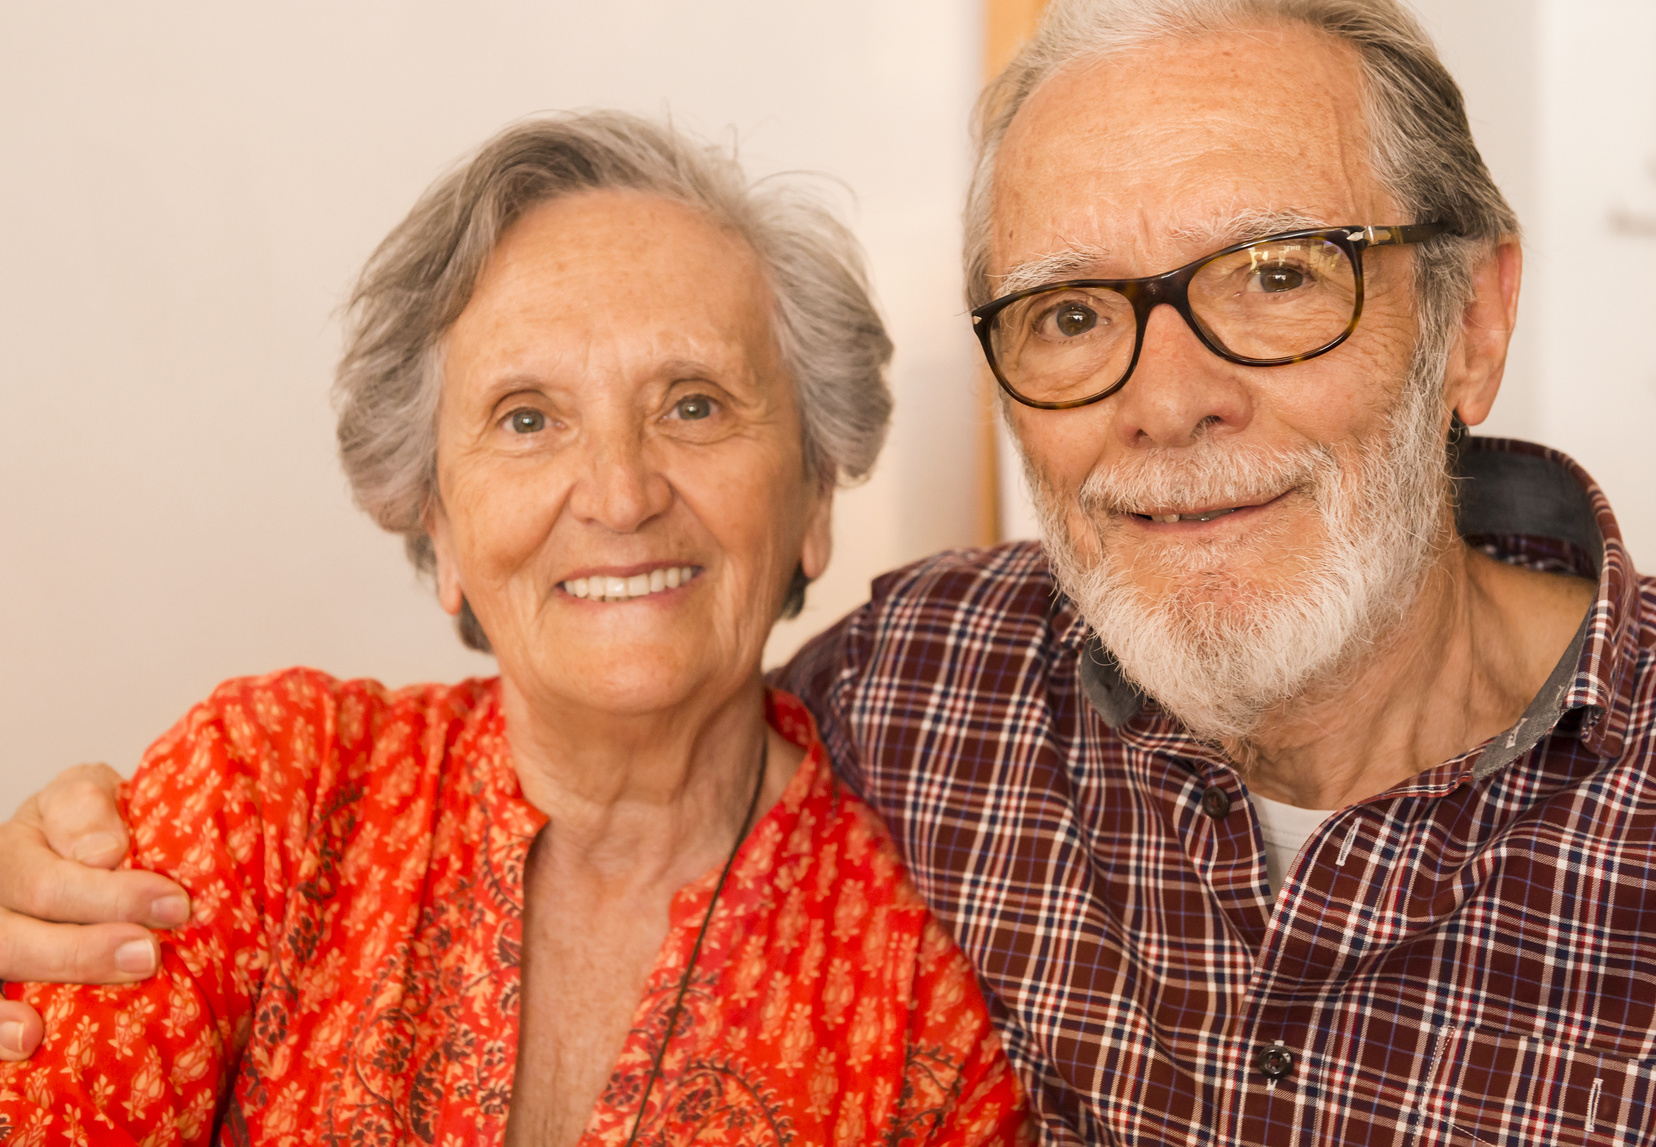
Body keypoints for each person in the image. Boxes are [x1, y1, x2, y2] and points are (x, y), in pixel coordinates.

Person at [5, 0, 1654, 1142]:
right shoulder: (935, 686)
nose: (1168, 398)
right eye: (1073, 314)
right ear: (426, 515)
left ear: (1474, 320)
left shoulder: (896, 960)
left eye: (1282, 273)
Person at [0, 112, 1032, 1145]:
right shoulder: (265, 796)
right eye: (527, 418)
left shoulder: (917, 999)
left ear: (814, 494)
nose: (620, 495)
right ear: (437, 520)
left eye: (696, 404)